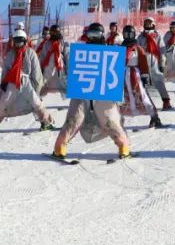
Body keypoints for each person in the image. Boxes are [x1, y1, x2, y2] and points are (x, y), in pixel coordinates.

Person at [52, 22, 133, 160]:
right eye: (91, 34)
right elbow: (73, 68)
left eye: (97, 34)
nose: (94, 37)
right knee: (74, 119)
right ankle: (59, 147)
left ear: (102, 35)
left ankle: (123, 146)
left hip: (102, 92)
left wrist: (126, 49)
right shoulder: (81, 51)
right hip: (83, 91)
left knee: (110, 120)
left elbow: (118, 67)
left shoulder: (109, 51)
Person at [0, 27, 54, 135]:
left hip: (26, 81)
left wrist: (37, 87)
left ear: (25, 41)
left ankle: (46, 122)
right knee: (3, 102)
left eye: (20, 41)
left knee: (36, 102)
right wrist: (4, 83)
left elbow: (36, 71)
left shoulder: (30, 53)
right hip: (12, 81)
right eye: (16, 41)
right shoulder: (11, 54)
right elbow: (5, 69)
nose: (18, 43)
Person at [120, 24, 164, 129]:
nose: (128, 36)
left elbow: (143, 62)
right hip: (123, 75)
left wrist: (145, 76)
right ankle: (118, 119)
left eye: (130, 33)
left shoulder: (138, 48)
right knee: (121, 97)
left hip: (135, 74)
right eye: (126, 33)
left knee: (142, 96)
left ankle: (154, 117)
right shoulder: (120, 48)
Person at [138, 17, 172, 109]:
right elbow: (137, 49)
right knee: (141, 83)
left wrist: (162, 63)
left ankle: (166, 101)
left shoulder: (157, 36)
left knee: (159, 81)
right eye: (146, 23)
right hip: (143, 61)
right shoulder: (141, 37)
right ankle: (143, 104)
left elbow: (162, 50)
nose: (147, 25)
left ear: (153, 24)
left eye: (149, 23)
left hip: (154, 61)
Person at [38, 24, 69, 97]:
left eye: (56, 33)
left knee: (63, 84)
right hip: (48, 68)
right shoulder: (47, 43)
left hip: (60, 68)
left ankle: (65, 97)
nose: (54, 34)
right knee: (44, 83)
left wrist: (68, 69)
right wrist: (40, 69)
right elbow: (42, 56)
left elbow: (67, 56)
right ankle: (41, 94)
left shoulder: (63, 43)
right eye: (53, 33)